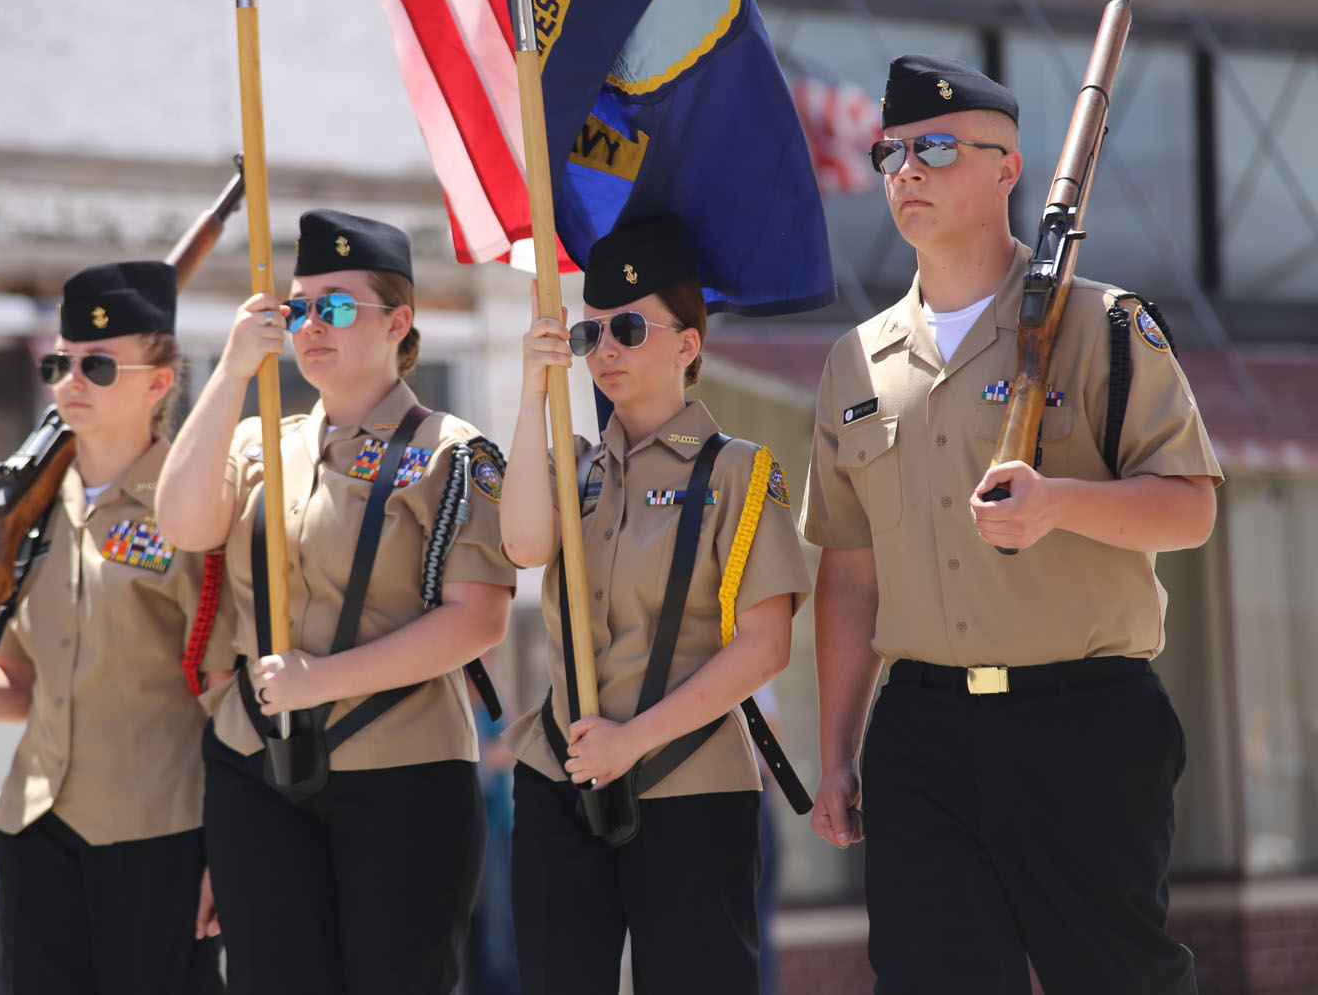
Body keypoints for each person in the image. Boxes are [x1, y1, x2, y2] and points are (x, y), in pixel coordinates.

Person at [803, 54, 1222, 995]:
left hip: (1080, 719)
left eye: (937, 147)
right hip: (919, 727)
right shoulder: (855, 365)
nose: (906, 170)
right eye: (891, 152)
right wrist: (835, 752)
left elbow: (1191, 506)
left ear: (1008, 167)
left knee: (1116, 977)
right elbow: (851, 569)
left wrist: (1060, 503)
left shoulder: (1106, 326)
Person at [154, 209, 516, 995]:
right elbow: (181, 520)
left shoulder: (453, 451)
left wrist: (324, 678)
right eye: (299, 307)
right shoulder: (258, 443)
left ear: (401, 323)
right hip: (258, 769)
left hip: (402, 770)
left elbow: (478, 617)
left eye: (340, 305)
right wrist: (228, 372)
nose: (313, 323)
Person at [0, 260, 233, 995]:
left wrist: (228, 852)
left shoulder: (196, 509)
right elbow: (25, 681)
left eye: (98, 365)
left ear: (160, 382)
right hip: (36, 829)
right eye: (59, 362)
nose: (71, 379)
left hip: (159, 837)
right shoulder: (32, 507)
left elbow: (231, 696)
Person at [500, 215, 812, 995]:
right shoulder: (570, 465)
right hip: (562, 775)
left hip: (688, 779)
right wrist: (534, 391)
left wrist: (631, 740)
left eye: (630, 327)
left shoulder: (739, 471)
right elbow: (523, 544)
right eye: (590, 333)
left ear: (688, 342)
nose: (604, 348)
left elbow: (765, 646)